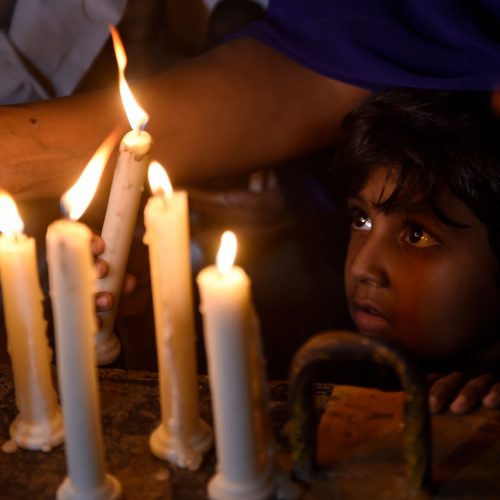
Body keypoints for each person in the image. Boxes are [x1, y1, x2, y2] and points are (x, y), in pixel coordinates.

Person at [330, 88, 500, 415]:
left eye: (418, 236)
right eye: (361, 219)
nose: (361, 268)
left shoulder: (482, 403)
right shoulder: (328, 360)